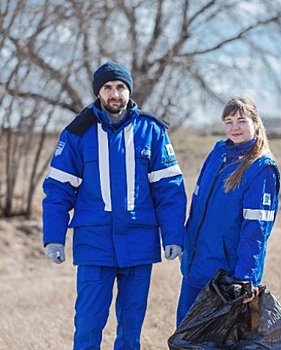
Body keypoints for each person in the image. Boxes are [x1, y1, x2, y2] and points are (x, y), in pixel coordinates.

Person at [42, 61, 187, 349]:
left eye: (120, 87)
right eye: (107, 88)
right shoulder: (77, 132)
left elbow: (169, 190)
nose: (114, 94)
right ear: (98, 93)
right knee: (88, 323)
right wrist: (53, 238)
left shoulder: (152, 131)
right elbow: (58, 190)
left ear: (128, 91)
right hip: (94, 243)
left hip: (139, 241)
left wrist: (173, 236)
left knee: (131, 325)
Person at [176, 97, 280, 327]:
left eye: (242, 121)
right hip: (196, 266)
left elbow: (256, 231)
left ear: (256, 123)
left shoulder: (261, 169)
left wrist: (247, 277)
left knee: (218, 341)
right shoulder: (217, 153)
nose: (235, 127)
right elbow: (196, 208)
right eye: (229, 121)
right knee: (185, 336)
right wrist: (186, 243)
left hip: (227, 277)